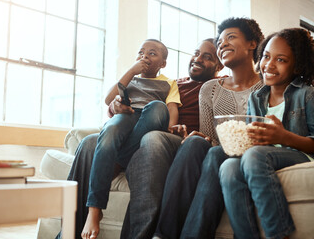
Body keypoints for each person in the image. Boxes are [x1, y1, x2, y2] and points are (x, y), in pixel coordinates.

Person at [55, 38, 223, 239]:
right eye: (196, 53)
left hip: (173, 139)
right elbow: (127, 102)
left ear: (219, 64)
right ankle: (68, 234)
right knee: (89, 143)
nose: (197, 59)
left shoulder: (219, 87)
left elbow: (204, 127)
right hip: (136, 132)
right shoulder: (172, 83)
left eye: (207, 57)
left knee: (152, 139)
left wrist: (180, 131)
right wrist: (115, 106)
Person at [153, 17, 264, 239]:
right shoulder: (210, 89)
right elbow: (211, 138)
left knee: (214, 152)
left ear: (252, 44)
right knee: (195, 142)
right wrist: (198, 137)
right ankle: (162, 235)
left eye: (230, 37)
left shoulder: (267, 85)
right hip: (217, 150)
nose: (222, 44)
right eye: (220, 41)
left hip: (250, 152)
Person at [219, 28, 314, 239]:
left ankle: (277, 235)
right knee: (228, 167)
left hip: (300, 154)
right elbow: (253, 142)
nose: (269, 65)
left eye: (280, 59)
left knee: (254, 156)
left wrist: (283, 137)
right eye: (266, 56)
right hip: (264, 156)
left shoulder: (307, 94)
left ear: (297, 64)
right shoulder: (256, 97)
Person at [82, 39, 181, 239]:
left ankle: (117, 162)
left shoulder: (169, 83)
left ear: (163, 63)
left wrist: (172, 127)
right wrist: (130, 72)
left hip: (151, 119)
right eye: (141, 52)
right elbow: (109, 99)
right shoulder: (130, 79)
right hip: (127, 117)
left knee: (157, 107)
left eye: (152, 53)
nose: (145, 56)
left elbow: (171, 108)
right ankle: (94, 209)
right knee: (110, 129)